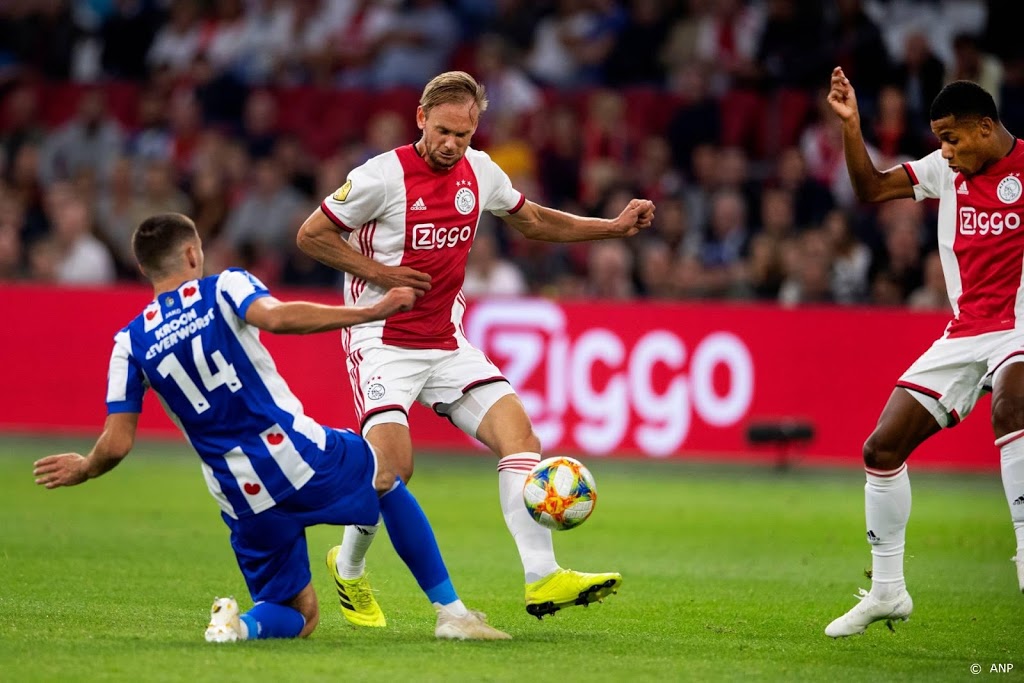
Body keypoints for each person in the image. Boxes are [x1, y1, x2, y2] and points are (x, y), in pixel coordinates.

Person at [32, 213, 511, 643]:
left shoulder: (129, 343)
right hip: (295, 455)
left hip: (239, 496)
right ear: (192, 253)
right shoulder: (224, 287)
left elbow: (116, 443)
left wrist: (86, 467)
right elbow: (277, 318)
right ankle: (452, 614)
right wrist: (369, 311)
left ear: (144, 269)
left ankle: (236, 627)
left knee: (298, 616)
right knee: (387, 473)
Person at [296, 70, 655, 623]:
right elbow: (311, 235)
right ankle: (348, 569)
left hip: (445, 340)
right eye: (442, 131)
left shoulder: (480, 171)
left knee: (521, 436)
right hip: (381, 340)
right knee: (393, 471)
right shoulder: (381, 176)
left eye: (462, 135)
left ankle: (543, 579)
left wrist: (609, 227)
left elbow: (532, 221)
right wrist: (381, 272)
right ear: (421, 117)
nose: (451, 145)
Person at [823, 67, 1024, 637]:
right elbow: (869, 190)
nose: (945, 150)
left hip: (1020, 327)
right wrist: (852, 126)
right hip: (963, 334)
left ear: (986, 127)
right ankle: (887, 591)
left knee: (1009, 407)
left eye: (953, 137)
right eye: (939, 139)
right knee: (881, 448)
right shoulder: (945, 171)